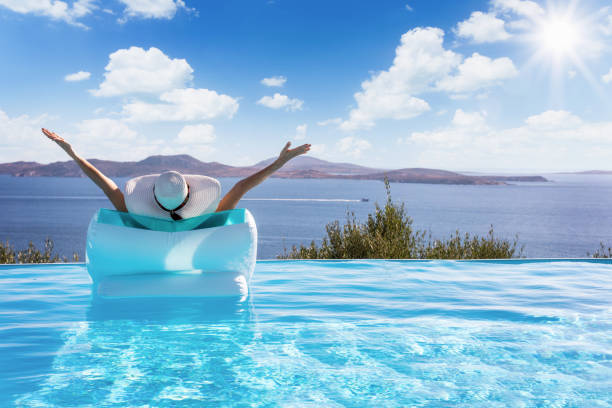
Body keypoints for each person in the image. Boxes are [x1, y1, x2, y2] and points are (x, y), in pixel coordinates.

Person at [41, 128, 310, 220]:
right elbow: (241, 187)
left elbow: (106, 185)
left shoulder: (137, 217)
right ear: (190, 193)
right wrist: (279, 163)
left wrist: (72, 153)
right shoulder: (206, 219)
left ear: (154, 197)